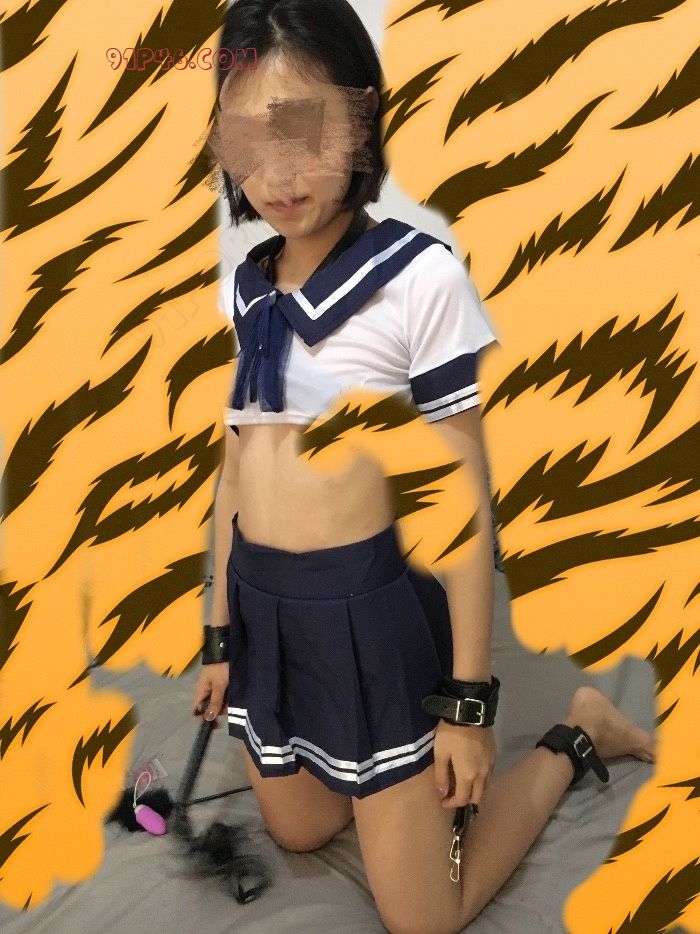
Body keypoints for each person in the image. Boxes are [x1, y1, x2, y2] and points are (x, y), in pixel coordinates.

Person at [192, 2, 657, 931]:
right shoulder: (250, 283)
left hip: (364, 617)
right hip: (265, 606)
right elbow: (237, 468)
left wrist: (469, 708)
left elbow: (464, 506)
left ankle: (577, 732)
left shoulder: (417, 277)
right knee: (296, 829)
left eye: (304, 133)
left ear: (363, 121)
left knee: (424, 919)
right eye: (249, 140)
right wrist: (219, 632)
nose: (277, 175)